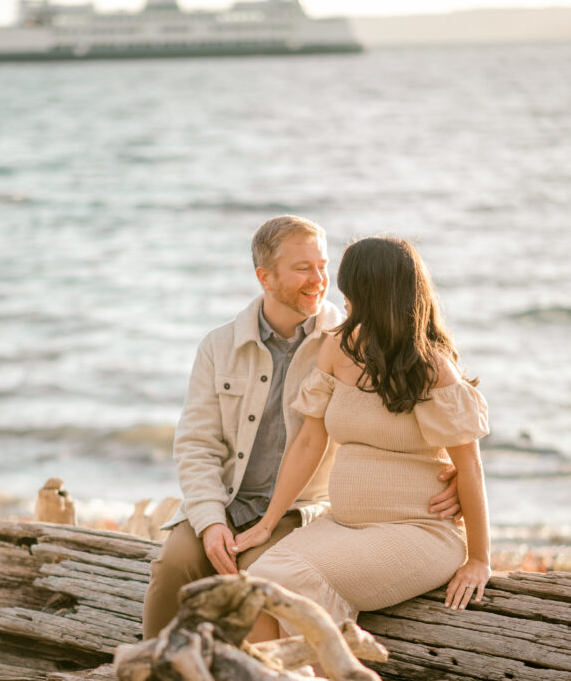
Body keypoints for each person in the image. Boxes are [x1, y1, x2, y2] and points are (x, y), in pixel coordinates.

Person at [142, 218, 463, 639]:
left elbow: (421, 390)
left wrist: (452, 472)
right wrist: (209, 519)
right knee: (173, 566)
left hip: (297, 512)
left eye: (323, 265)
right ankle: (158, 679)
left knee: (254, 577)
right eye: (303, 269)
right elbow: (196, 445)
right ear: (265, 277)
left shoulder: (348, 340)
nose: (320, 281)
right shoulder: (218, 346)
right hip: (228, 502)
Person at [233, 236, 490, 641]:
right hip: (344, 526)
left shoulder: (433, 368)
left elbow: (469, 465)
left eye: (350, 289)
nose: (343, 298)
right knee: (256, 582)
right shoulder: (338, 347)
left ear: (374, 294)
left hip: (418, 533)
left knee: (289, 576)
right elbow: (308, 443)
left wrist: (479, 558)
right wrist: (268, 522)